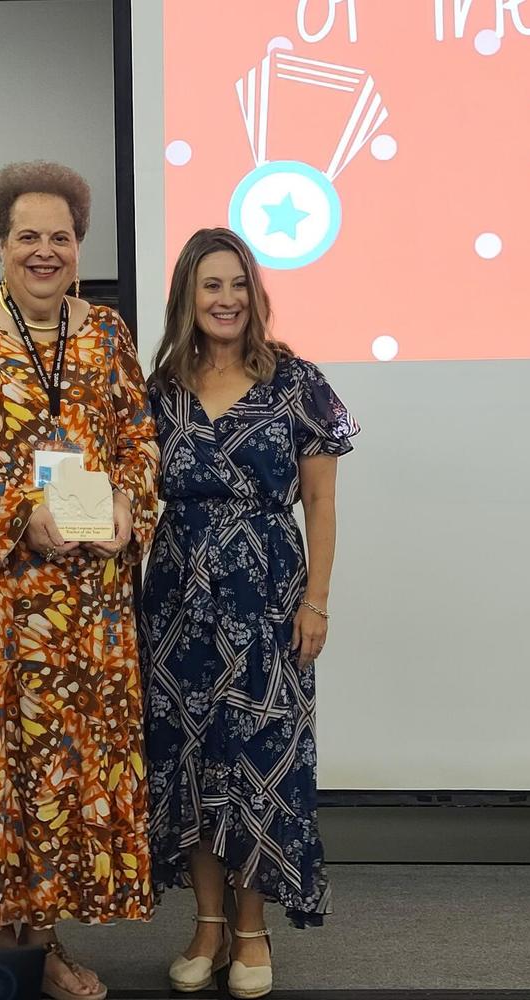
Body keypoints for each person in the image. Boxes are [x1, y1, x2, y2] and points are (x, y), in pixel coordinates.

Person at [0, 161, 159, 1000]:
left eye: (61, 237)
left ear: (79, 246)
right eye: (27, 237)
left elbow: (138, 444)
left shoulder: (107, 335)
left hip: (84, 609)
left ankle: (42, 942)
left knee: (59, 774)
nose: (44, 251)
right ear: (2, 245)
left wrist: (127, 503)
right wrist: (20, 514)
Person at [140, 228, 359, 998]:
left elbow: (323, 501)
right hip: (174, 602)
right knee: (190, 760)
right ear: (187, 299)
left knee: (260, 763)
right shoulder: (161, 387)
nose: (225, 299)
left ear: (256, 295)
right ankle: (206, 924)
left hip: (267, 599)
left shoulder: (297, 382)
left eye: (237, 284)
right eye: (210, 286)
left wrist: (317, 601)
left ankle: (253, 928)